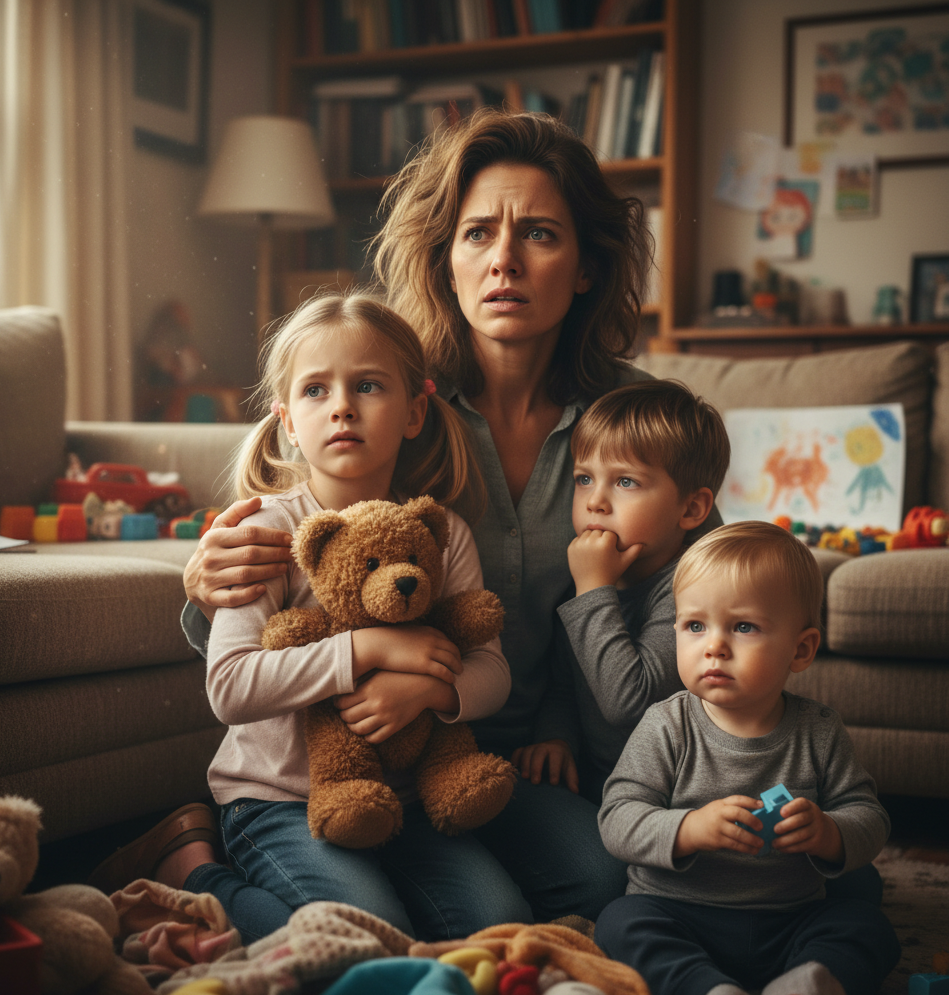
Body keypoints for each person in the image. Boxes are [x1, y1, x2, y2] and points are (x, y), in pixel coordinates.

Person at [174, 109, 660, 924]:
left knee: (603, 883)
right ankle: (223, 867)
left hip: (496, 750)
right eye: (477, 235)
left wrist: (544, 720)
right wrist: (202, 581)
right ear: (446, 260)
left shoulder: (634, 422)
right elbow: (282, 585)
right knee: (382, 918)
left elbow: (688, 595)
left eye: (539, 233)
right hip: (338, 761)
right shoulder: (386, 385)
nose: (503, 259)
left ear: (584, 264)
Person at [91, 293, 532, 943]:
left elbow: (491, 669)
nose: (343, 405)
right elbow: (231, 686)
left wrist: (436, 689)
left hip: (405, 803)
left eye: (369, 386)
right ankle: (194, 871)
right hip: (276, 804)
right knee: (363, 941)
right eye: (317, 389)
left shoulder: (442, 534)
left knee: (504, 926)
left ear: (414, 413)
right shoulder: (268, 531)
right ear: (288, 421)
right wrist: (371, 650)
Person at [594, 522, 900, 995]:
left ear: (800, 650)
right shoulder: (666, 725)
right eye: (695, 626)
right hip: (681, 912)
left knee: (867, 925)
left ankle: (808, 983)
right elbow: (617, 818)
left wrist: (829, 832)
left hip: (791, 916)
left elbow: (869, 816)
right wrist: (687, 829)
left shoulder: (818, 731)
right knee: (619, 923)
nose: (714, 646)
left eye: (743, 627)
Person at [512, 379, 728, 805]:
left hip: (686, 797)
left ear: (691, 509)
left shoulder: (693, 590)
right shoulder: (585, 577)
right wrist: (556, 739)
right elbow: (564, 683)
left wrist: (594, 588)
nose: (596, 501)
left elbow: (630, 703)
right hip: (610, 784)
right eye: (584, 479)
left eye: (626, 482)